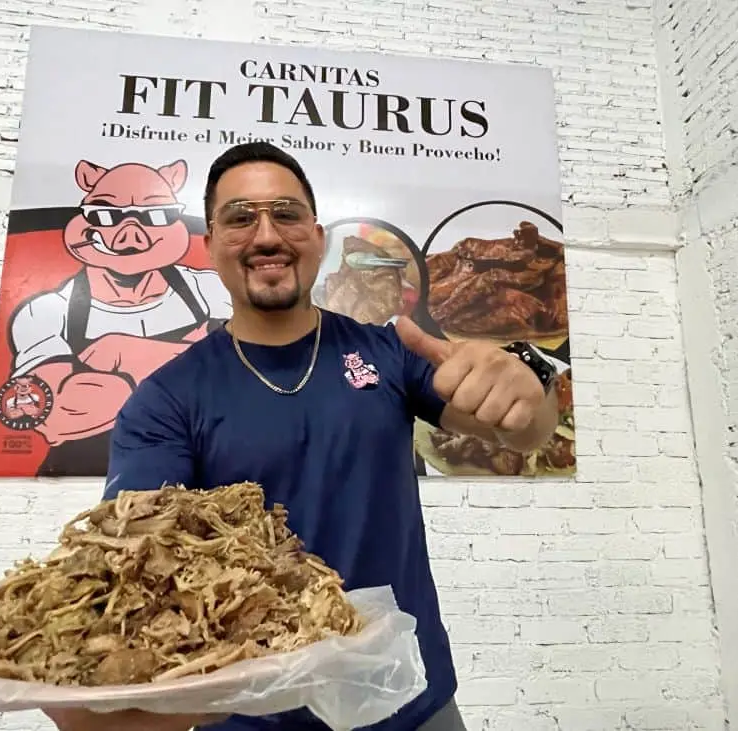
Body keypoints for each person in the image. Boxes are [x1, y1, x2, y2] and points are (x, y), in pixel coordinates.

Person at [44, 141, 560, 731]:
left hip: (412, 702)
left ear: (316, 236)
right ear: (210, 245)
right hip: (253, 718)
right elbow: (140, 560)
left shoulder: (388, 352)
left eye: (285, 214)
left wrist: (528, 384)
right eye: (240, 218)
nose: (266, 236)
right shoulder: (166, 400)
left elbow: (525, 434)